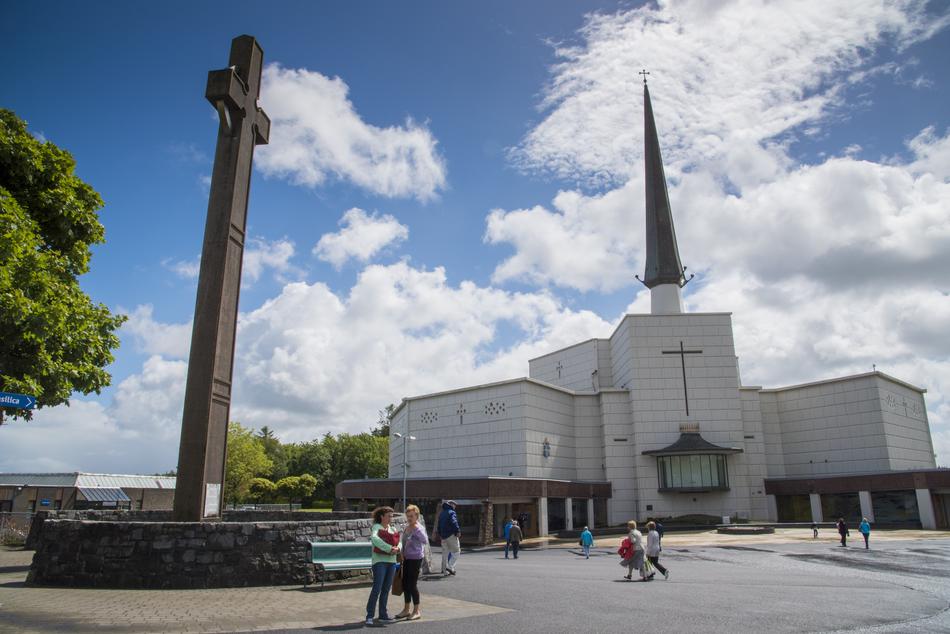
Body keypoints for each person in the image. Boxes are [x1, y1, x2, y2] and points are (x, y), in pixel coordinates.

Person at [366, 506, 400, 627]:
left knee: (386, 589)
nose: (391, 518)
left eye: (392, 516)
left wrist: (398, 548)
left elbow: (399, 541)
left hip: (391, 562)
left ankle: (383, 615)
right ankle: (369, 616)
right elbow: (375, 539)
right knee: (377, 589)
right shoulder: (376, 527)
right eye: (389, 516)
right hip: (379, 562)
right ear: (382, 516)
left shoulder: (393, 528)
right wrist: (389, 548)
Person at [395, 504, 427, 621]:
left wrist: (416, 531)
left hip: (416, 558)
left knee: (412, 585)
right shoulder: (407, 527)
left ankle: (416, 610)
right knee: (405, 584)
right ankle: (406, 609)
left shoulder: (419, 528)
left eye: (412, 516)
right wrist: (401, 553)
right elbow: (403, 541)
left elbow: (425, 540)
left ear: (416, 516)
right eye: (408, 516)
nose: (409, 518)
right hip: (406, 558)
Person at [438, 500, 461, 575]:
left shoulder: (442, 513)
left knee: (445, 553)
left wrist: (440, 534)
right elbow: (454, 522)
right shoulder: (451, 512)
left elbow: (439, 525)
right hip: (451, 535)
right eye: (454, 505)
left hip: (443, 536)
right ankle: (450, 566)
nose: (455, 506)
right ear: (451, 504)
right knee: (457, 551)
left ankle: (444, 571)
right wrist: (457, 531)